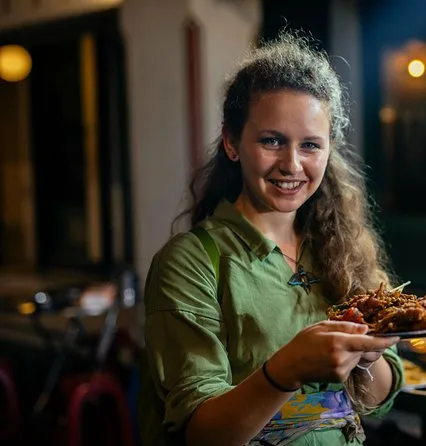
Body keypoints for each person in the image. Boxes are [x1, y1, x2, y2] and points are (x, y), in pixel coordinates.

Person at [138, 32, 405, 446]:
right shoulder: (191, 262)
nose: (292, 164)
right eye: (272, 141)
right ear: (232, 143)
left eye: (310, 145)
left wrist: (368, 358)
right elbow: (203, 434)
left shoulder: (340, 249)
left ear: (329, 150)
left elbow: (376, 400)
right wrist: (285, 370)